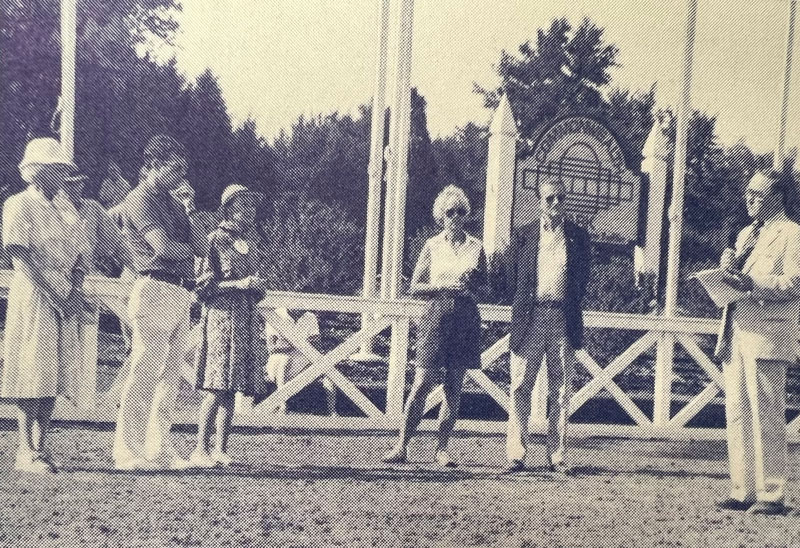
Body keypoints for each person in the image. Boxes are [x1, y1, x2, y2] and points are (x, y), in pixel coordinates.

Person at [112, 134, 207, 470]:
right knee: (144, 372)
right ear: (152, 165)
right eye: (174, 169)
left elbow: (200, 246)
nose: (180, 176)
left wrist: (187, 217)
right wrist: (183, 250)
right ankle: (127, 450)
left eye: (183, 170)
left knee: (171, 377)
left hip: (181, 291)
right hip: (154, 289)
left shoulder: (173, 202)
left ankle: (159, 447)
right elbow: (164, 249)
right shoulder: (137, 200)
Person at [383, 185, 487, 468]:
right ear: (440, 216)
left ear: (466, 215)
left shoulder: (476, 247)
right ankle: (401, 445)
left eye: (460, 212)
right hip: (435, 315)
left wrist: (472, 284)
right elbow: (414, 287)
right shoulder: (432, 245)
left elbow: (485, 287)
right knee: (422, 383)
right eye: (449, 212)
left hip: (464, 317)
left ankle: (442, 449)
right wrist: (440, 286)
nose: (455, 217)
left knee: (454, 387)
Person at [715, 170, 800, 515]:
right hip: (736, 329)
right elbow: (736, 282)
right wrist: (728, 268)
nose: (749, 199)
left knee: (766, 414)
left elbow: (795, 283)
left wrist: (752, 282)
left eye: (757, 194)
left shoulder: (792, 234)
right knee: (737, 412)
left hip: (767, 333)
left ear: (777, 198)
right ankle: (743, 489)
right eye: (747, 192)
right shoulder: (746, 234)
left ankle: (773, 494)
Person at [1, 137, 87, 473]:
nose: (60, 175)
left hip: (64, 293)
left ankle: (43, 444)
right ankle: (25, 448)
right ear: (37, 172)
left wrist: (74, 292)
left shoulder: (67, 210)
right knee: (32, 366)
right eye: (54, 169)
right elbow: (20, 256)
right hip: (35, 291)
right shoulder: (19, 204)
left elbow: (80, 256)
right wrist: (52, 293)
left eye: (62, 169)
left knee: (56, 369)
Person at [504, 179, 591, 475]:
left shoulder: (578, 237)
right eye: (549, 198)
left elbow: (583, 278)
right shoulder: (523, 235)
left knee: (562, 389)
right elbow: (511, 279)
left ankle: (557, 455)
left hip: (562, 319)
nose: (555, 204)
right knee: (519, 386)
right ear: (539, 201)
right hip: (530, 317)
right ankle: (517, 453)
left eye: (560, 198)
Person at [189, 184, 269, 468]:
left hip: (245, 317)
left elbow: (253, 280)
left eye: (252, 207)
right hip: (222, 318)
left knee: (233, 386)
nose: (250, 212)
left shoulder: (251, 242)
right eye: (244, 206)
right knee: (216, 385)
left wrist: (256, 288)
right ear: (229, 209)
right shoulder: (214, 239)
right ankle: (200, 447)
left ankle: (221, 448)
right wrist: (240, 284)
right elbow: (203, 286)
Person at [265, 308, 337, 415]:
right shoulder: (276, 314)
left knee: (327, 366)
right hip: (278, 359)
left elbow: (316, 345)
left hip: (302, 359)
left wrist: (289, 344)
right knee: (285, 360)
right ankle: (282, 405)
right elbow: (272, 348)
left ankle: (333, 413)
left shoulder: (310, 317)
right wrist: (300, 345)